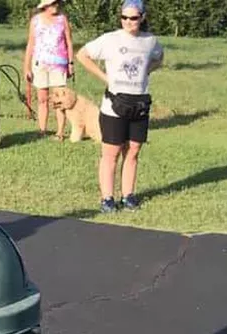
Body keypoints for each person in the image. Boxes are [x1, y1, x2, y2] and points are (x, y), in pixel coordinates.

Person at [76, 0, 164, 212]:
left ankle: (128, 196)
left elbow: (159, 59)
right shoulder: (111, 39)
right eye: (124, 17)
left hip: (139, 102)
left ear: (142, 18)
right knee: (111, 152)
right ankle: (107, 198)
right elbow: (82, 55)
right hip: (114, 103)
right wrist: (105, 78)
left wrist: (145, 72)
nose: (128, 22)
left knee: (133, 150)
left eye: (133, 18)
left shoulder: (150, 41)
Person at [23, 0, 74, 140]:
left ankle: (60, 132)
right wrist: (26, 66)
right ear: (45, 6)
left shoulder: (62, 19)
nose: (56, 5)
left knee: (59, 99)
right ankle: (42, 130)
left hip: (59, 64)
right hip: (40, 64)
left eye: (57, 3)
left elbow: (69, 41)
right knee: (42, 99)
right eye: (53, 3)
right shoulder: (36, 21)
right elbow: (31, 43)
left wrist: (71, 63)